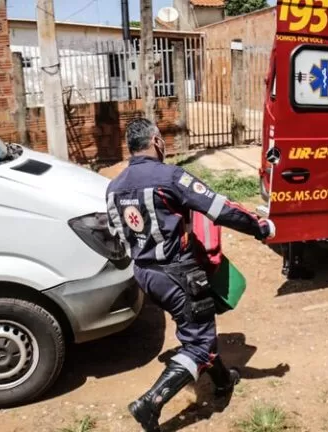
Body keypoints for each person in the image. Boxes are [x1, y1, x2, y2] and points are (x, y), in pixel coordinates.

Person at [106, 118, 276, 432]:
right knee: (198, 344)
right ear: (156, 141)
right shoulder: (169, 177)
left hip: (144, 274)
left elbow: (117, 236)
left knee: (198, 329)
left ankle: (223, 381)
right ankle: (150, 403)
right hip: (177, 275)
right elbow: (219, 208)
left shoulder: (114, 187)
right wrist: (259, 227)